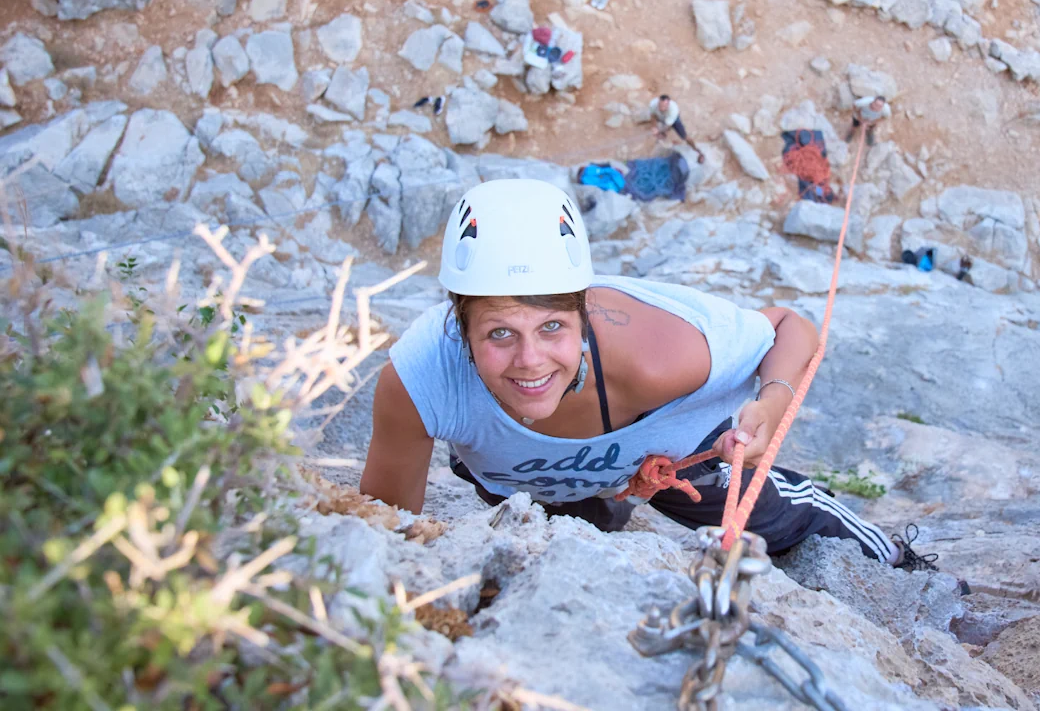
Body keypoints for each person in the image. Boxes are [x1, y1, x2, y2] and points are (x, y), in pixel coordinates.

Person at [360, 179, 936, 570]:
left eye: (553, 329)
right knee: (577, 526)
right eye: (500, 334)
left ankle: (902, 563)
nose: (531, 361)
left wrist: (772, 407)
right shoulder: (422, 379)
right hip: (528, 482)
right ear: (460, 329)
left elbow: (789, 326)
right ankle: (605, 508)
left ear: (583, 314)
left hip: (673, 452)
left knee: (778, 522)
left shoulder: (661, 354)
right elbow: (385, 530)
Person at [648, 93, 705, 164]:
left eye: (664, 106)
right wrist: (654, 127)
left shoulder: (673, 110)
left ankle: (695, 149)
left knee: (685, 137)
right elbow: (652, 116)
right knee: (659, 130)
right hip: (662, 117)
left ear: (668, 104)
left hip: (674, 120)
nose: (661, 108)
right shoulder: (653, 104)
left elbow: (667, 125)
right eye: (660, 105)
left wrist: (660, 131)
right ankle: (663, 140)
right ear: (658, 102)